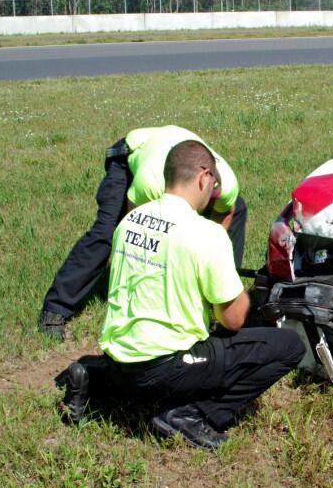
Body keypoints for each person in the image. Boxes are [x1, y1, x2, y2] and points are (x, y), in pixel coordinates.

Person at [64, 140, 305, 450]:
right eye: (214, 185)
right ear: (204, 177)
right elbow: (230, 320)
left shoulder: (129, 221)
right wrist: (249, 297)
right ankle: (192, 415)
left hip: (117, 358)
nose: (214, 193)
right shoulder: (205, 232)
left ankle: (92, 378)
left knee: (139, 373)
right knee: (288, 346)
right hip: (165, 367)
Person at [39, 125, 247, 340]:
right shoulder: (151, 183)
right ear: (202, 180)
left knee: (238, 209)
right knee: (107, 232)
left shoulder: (226, 188)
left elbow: (227, 212)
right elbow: (135, 229)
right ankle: (56, 309)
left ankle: (222, 298)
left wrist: (209, 253)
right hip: (130, 157)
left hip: (179, 156)